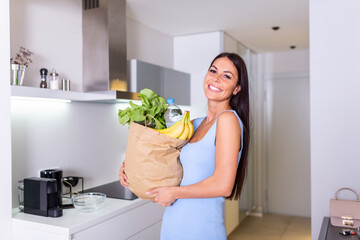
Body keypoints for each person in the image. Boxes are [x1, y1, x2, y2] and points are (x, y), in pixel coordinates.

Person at [119, 52, 250, 240]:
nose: (216, 78)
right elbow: (163, 161)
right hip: (172, 226)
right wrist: (129, 170)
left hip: (202, 231)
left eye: (226, 76)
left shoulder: (228, 120)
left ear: (237, 88)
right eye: (213, 71)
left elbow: (223, 185)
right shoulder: (194, 123)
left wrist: (173, 192)